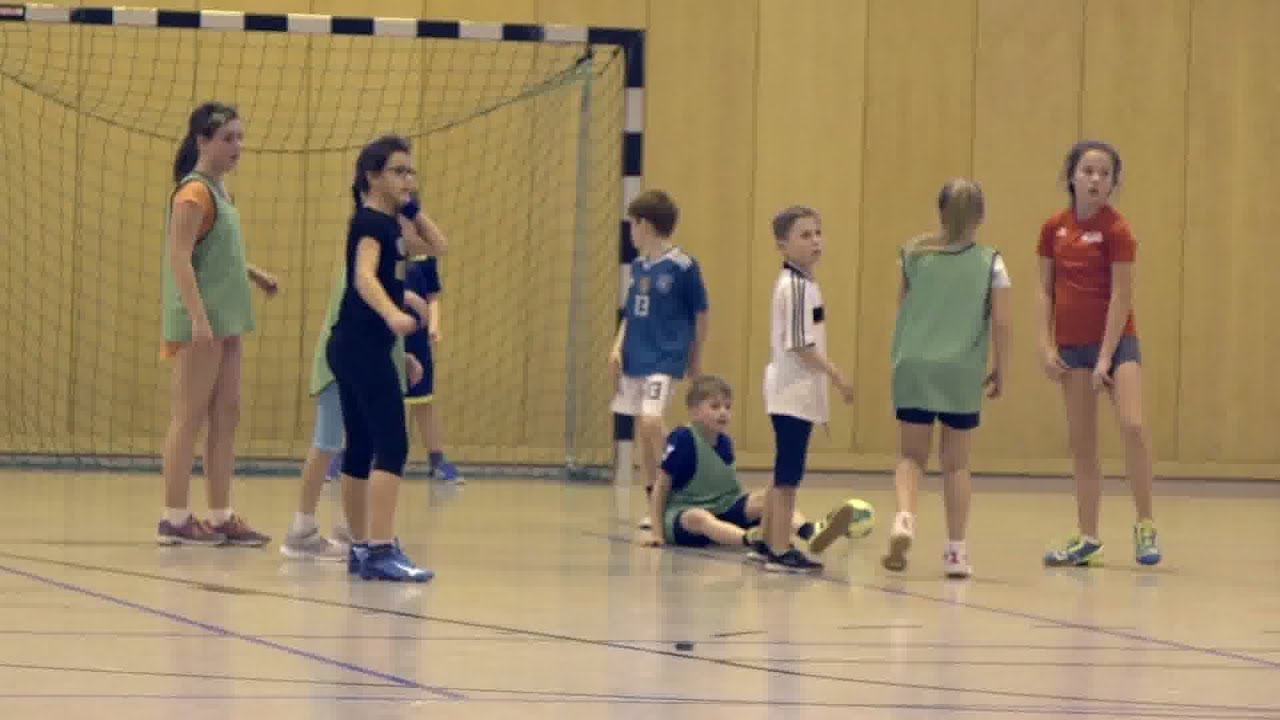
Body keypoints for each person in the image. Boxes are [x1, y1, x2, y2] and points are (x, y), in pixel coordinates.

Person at [328, 134, 447, 582]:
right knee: (392, 444)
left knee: (359, 447)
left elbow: (439, 244)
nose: (407, 179)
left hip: (361, 345)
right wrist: (394, 316)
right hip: (361, 343)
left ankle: (361, 548)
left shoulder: (393, 225)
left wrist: (412, 207)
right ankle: (378, 547)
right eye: (398, 171)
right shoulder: (371, 225)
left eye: (411, 171)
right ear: (371, 176)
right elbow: (363, 278)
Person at [158, 101, 276, 547]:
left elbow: (216, 253)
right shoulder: (192, 192)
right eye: (228, 138)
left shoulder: (221, 191)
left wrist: (254, 273)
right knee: (188, 417)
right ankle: (173, 518)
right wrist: (198, 319)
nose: (237, 147)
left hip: (228, 319)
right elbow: (180, 258)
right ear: (202, 141)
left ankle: (221, 514)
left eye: (240, 138)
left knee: (227, 414)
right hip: (201, 321)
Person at [1037, 140, 1160, 567]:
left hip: (1116, 342)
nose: (1095, 179)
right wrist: (1045, 343)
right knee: (1083, 443)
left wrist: (1106, 358)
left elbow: (1122, 296)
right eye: (1087, 171)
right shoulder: (1054, 227)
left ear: (1113, 183)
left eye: (1104, 173)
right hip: (1073, 347)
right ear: (1071, 176)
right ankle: (1087, 536)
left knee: (1133, 424)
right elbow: (1045, 289)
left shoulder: (1117, 230)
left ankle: (1145, 524)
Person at [881, 179, 1010, 579]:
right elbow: (1002, 323)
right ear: (981, 217)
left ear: (939, 213)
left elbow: (902, 308)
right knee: (956, 464)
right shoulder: (992, 262)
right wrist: (1001, 367)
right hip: (961, 369)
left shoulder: (913, 253)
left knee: (911, 456)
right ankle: (956, 552)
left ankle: (904, 517)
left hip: (915, 364)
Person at [643, 376, 870, 566]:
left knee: (766, 497)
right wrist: (657, 531)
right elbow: (661, 487)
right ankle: (753, 540)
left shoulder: (725, 442)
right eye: (714, 406)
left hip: (725, 505)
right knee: (700, 518)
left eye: (727, 407)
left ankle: (809, 531)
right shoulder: (683, 439)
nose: (723, 412)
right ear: (693, 412)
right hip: (684, 513)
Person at [761, 206, 856, 572]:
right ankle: (781, 549)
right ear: (782, 245)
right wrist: (837, 376)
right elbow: (802, 344)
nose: (815, 240)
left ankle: (767, 541)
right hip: (793, 393)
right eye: (804, 235)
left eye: (818, 232)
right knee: (788, 477)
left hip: (790, 392)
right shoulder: (797, 287)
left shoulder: (802, 284)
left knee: (781, 471)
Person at [608, 190, 709, 529]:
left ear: (645, 225)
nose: (630, 232)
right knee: (642, 428)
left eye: (632, 225)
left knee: (653, 421)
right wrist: (617, 346)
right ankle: (656, 502)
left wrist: (696, 356)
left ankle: (686, 477)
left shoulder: (684, 266)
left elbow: (701, 314)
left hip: (666, 356)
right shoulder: (638, 266)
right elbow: (631, 312)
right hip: (636, 353)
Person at [401, 230, 463, 485]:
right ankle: (347, 454)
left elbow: (433, 298)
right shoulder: (378, 249)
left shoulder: (425, 257)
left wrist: (434, 326)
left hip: (417, 339)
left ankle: (437, 459)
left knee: (423, 402)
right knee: (367, 401)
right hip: (383, 334)